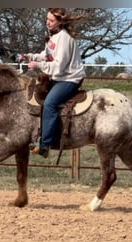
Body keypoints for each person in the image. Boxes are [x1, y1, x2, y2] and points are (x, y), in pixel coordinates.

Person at [21, 8, 86, 158]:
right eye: (47, 19)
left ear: (60, 22)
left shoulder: (64, 38)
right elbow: (46, 55)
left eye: (51, 20)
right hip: (59, 77)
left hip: (69, 79)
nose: (47, 23)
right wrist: (29, 56)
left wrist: (38, 66)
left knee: (50, 104)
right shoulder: (54, 37)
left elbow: (58, 66)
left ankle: (45, 144)